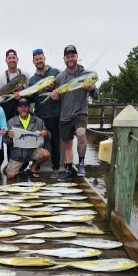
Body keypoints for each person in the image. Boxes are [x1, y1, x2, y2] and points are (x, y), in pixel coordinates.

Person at [51, 45, 99, 181]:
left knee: (81, 134)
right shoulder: (60, 77)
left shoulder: (87, 74)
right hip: (65, 115)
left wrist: (91, 89)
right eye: (68, 56)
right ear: (64, 59)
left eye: (72, 56)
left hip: (80, 113)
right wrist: (55, 98)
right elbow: (58, 98)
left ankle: (82, 164)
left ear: (77, 56)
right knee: (67, 145)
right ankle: (68, 170)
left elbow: (96, 96)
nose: (70, 58)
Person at [27, 48, 60, 178]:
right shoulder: (32, 79)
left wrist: (55, 89)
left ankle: (56, 168)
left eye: (40, 58)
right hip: (39, 115)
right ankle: (36, 167)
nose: (39, 61)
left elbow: (63, 89)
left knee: (55, 142)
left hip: (54, 113)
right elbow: (30, 99)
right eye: (36, 59)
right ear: (33, 62)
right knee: (39, 141)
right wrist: (20, 94)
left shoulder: (55, 72)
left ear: (44, 58)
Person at [4, 98, 50, 179]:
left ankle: (33, 167)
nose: (23, 108)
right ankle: (10, 167)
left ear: (29, 108)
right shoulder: (10, 122)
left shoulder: (39, 121)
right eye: (21, 106)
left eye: (25, 106)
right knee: (11, 176)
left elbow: (47, 138)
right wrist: (8, 136)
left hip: (32, 151)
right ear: (18, 109)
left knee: (46, 154)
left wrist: (45, 134)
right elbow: (5, 140)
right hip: (17, 155)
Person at [0, 49, 30, 121]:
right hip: (9, 114)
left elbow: (30, 94)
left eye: (13, 58)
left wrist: (22, 91)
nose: (12, 60)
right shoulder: (1, 78)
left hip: (24, 111)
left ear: (17, 59)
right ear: (6, 60)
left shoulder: (26, 75)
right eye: (9, 58)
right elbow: (1, 99)